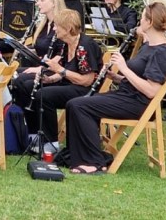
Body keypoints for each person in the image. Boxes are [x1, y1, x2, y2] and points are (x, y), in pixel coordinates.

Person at [64, 2, 166, 174]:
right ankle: (79, 156)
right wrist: (116, 77)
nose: (139, 21)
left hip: (138, 104)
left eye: (142, 18)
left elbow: (152, 90)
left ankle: (94, 162)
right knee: (75, 103)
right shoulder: (149, 46)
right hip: (127, 95)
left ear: (149, 22)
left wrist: (124, 68)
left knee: (79, 106)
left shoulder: (163, 52)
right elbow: (139, 78)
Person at [11, 8, 102, 150]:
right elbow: (66, 70)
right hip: (69, 83)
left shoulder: (85, 45)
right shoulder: (67, 43)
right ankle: (33, 134)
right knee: (27, 86)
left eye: (57, 26)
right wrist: (50, 79)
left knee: (44, 95)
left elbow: (87, 80)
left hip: (84, 89)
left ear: (68, 28)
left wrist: (59, 70)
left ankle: (51, 143)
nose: (54, 29)